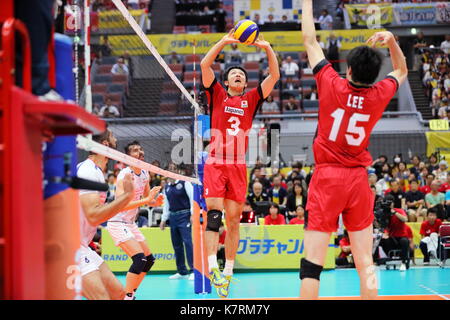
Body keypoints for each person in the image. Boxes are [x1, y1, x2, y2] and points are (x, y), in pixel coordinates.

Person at [299, 0, 408, 300]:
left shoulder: (330, 82)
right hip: (359, 181)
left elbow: (309, 39)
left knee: (312, 265)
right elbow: (401, 69)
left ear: (347, 69)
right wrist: (392, 41)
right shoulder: (379, 93)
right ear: (374, 75)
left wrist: (306, 2)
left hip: (328, 178)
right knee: (366, 262)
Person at [200, 28, 280, 298]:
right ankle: (213, 268)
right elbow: (204, 64)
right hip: (216, 161)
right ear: (227, 80)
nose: (239, 75)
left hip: (237, 164)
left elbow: (275, 76)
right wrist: (225, 41)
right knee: (213, 216)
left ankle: (229, 272)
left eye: (243, 75)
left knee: (233, 222)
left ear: (245, 84)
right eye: (235, 73)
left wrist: (267, 48)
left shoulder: (252, 98)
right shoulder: (218, 94)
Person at [77, 129, 134, 300]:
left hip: (82, 245)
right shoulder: (88, 171)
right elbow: (94, 216)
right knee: (101, 297)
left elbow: (97, 214)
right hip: (69, 246)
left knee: (118, 293)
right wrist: (126, 196)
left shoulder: (96, 172)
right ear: (105, 145)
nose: (117, 139)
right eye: (113, 137)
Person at [106, 141, 163, 300]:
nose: (140, 152)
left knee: (149, 260)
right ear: (127, 157)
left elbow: (146, 199)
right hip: (117, 222)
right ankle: (128, 296)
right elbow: (121, 206)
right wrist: (147, 200)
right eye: (135, 151)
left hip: (130, 223)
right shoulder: (124, 175)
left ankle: (131, 293)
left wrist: (155, 202)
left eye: (141, 149)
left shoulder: (145, 172)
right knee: (139, 259)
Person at [160, 166, 195, 281]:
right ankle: (182, 271)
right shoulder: (167, 187)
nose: (172, 171)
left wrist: (193, 214)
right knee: (176, 244)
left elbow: (192, 199)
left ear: (177, 171)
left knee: (188, 243)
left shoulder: (185, 182)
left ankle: (194, 270)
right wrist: (163, 219)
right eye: (169, 170)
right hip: (173, 217)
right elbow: (166, 204)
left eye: (173, 169)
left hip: (184, 216)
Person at [379, 195, 411, 272]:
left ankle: (404, 262)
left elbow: (405, 219)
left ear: (392, 203)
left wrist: (394, 212)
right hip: (392, 238)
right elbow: (382, 226)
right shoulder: (384, 213)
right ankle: (390, 258)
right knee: (382, 240)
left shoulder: (399, 210)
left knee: (404, 241)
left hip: (401, 237)